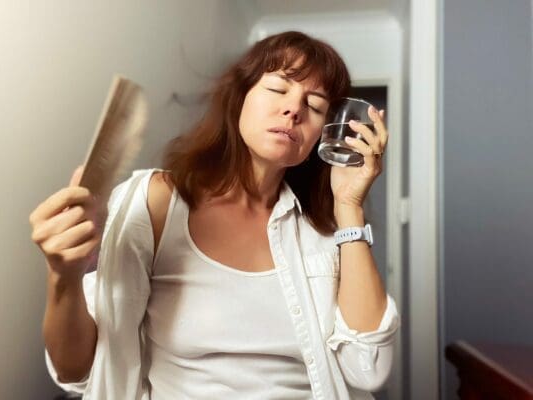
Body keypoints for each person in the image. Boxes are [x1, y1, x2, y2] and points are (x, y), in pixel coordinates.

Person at [29, 31, 399, 400]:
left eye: (315, 106)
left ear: (320, 134)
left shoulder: (321, 231)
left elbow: (368, 369)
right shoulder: (154, 203)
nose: (294, 109)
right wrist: (63, 275)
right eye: (277, 88)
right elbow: (75, 371)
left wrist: (349, 205)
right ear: (240, 98)